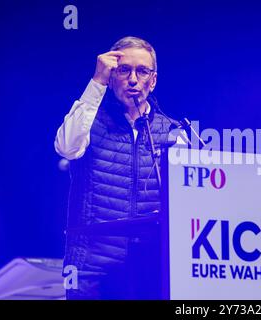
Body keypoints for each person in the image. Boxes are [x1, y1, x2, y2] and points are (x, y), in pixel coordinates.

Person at [55, 36, 183, 299]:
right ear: (112, 76)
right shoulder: (91, 122)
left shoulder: (173, 132)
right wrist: (97, 82)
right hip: (93, 269)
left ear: (153, 80)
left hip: (151, 270)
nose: (133, 80)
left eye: (142, 71)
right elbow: (66, 147)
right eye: (124, 70)